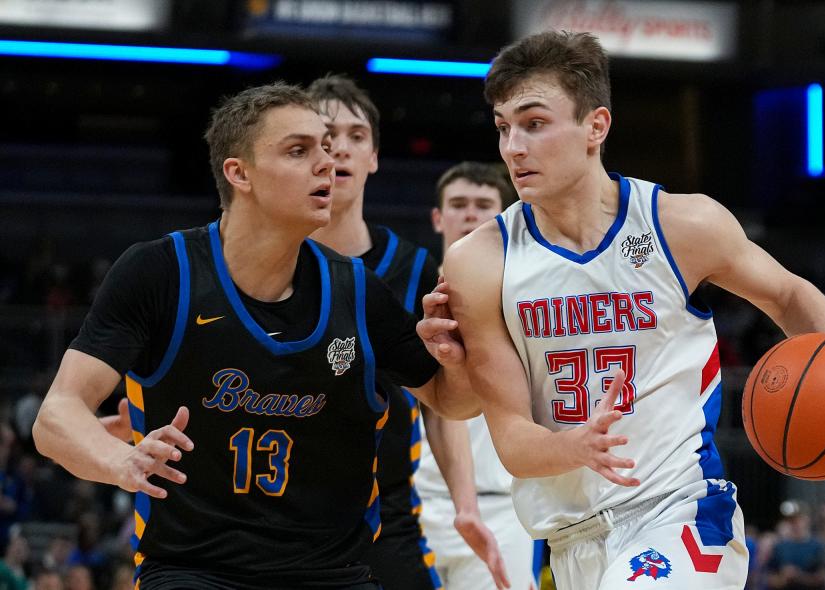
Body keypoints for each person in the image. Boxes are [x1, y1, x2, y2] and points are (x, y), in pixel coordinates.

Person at [418, 30, 825, 590]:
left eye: (534, 123)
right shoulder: (480, 262)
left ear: (595, 126)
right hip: (569, 539)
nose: (513, 148)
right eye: (503, 127)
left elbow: (788, 294)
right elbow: (511, 438)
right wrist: (569, 445)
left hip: (681, 511)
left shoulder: (680, 224)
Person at [31, 83, 475, 590]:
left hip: (333, 575)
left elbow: (450, 401)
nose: (326, 163)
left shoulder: (356, 289)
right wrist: (121, 461)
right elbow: (55, 417)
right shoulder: (159, 273)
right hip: (193, 572)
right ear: (238, 173)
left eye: (327, 148)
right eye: (298, 151)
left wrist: (452, 357)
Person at [304, 74, 505, 590]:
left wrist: (466, 507)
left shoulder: (415, 270)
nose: (341, 148)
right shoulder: (271, 264)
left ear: (373, 157)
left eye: (355, 136)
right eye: (326, 134)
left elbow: (442, 400)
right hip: (279, 516)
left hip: (384, 517)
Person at [416, 161, 541, 590]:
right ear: (437, 217)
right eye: (458, 204)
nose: (470, 214)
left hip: (502, 505)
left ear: (505, 217)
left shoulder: (529, 300)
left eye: (484, 205)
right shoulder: (410, 294)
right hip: (418, 502)